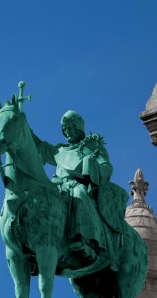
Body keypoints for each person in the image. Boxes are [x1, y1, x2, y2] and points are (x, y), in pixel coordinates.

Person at [34, 110, 114, 264]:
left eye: (70, 128)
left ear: (78, 128)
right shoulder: (59, 151)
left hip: (77, 185)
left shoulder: (92, 147)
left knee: (80, 194)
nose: (67, 132)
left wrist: (92, 165)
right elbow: (38, 146)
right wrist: (22, 125)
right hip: (58, 185)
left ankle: (87, 241)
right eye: (65, 129)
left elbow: (106, 168)